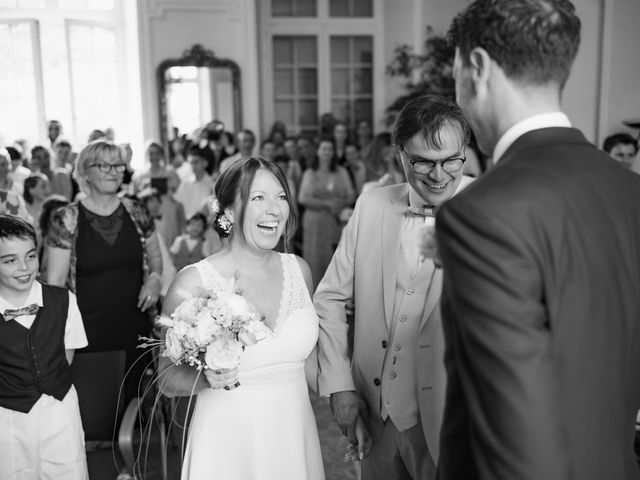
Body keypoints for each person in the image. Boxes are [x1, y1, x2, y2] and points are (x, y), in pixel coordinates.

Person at [437, 2, 640, 480]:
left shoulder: (482, 213)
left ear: (478, 68)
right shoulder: (630, 191)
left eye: (455, 75)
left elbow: (514, 429)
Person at [314, 95, 474, 480]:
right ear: (399, 154)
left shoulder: (492, 211)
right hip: (374, 415)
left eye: (451, 160)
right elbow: (330, 297)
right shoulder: (371, 206)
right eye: (423, 161)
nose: (439, 175)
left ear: (465, 152)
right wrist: (338, 385)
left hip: (455, 421)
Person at [157, 157, 324, 480]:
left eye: (281, 197)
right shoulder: (194, 282)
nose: (274, 209)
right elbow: (166, 378)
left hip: (293, 436)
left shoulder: (299, 270)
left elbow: (312, 363)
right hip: (227, 445)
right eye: (258, 198)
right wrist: (208, 379)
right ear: (230, 211)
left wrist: (351, 402)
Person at [45, 139, 163, 401]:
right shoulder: (66, 218)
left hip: (134, 323)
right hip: (87, 329)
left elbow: (155, 256)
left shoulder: (137, 210)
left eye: (119, 164)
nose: (114, 171)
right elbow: (54, 284)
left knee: (136, 403)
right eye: (105, 165)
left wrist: (155, 279)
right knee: (97, 405)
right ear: (85, 171)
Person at [0, 214, 88, 479]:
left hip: (59, 411)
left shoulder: (64, 301)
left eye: (30, 256)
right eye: (10, 260)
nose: (24, 267)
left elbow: (66, 358)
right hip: (9, 418)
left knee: (67, 470)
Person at [298, 137, 355, 289]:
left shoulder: (342, 171)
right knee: (316, 259)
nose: (327, 152)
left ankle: (335, 294)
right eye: (324, 149)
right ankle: (314, 293)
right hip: (315, 222)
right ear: (317, 151)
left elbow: (352, 194)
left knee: (336, 258)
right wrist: (327, 204)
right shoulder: (310, 172)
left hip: (336, 221)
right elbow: (303, 198)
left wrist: (340, 203)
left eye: (330, 149)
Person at [174, 146, 215, 219]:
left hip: (207, 227)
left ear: (205, 163)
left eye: (196, 162)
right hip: (188, 226)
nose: (193, 166)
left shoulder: (213, 184)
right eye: (191, 163)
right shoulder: (184, 184)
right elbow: (177, 205)